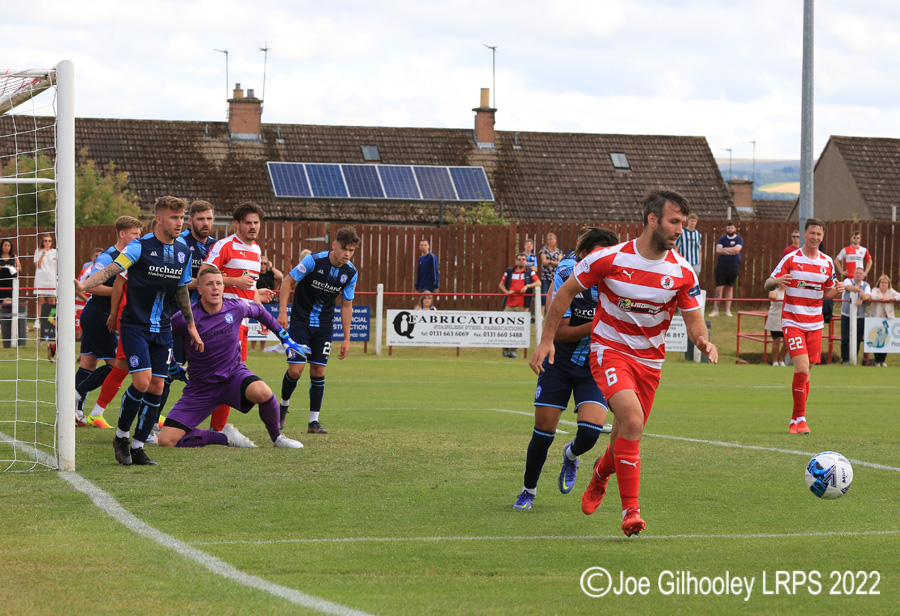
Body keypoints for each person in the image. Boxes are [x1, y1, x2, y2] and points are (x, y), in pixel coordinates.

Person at [530, 189, 717, 537]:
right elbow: (565, 293)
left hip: (650, 361)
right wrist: (545, 340)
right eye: (674, 222)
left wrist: (702, 339)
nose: (680, 230)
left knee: (626, 435)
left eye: (683, 223)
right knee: (631, 421)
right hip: (609, 351)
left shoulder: (683, 272)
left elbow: (693, 318)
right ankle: (631, 512)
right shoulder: (611, 258)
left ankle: (600, 474)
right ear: (652, 220)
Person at [78, 196, 203, 466]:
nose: (179, 223)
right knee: (142, 382)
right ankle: (121, 437)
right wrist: (85, 284)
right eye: (174, 217)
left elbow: (182, 289)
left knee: (158, 386)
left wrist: (191, 326)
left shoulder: (184, 250)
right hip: (135, 326)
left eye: (182, 217)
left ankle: (137, 446)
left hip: (164, 329)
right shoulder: (139, 246)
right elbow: (113, 269)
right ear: (159, 219)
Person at [514, 227, 618, 511]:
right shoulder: (567, 272)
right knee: (543, 433)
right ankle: (528, 491)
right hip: (557, 362)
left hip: (594, 366)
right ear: (583, 256)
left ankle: (570, 456)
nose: (602, 262)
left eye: (606, 256)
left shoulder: (618, 279)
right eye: (596, 255)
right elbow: (560, 333)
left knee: (589, 432)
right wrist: (599, 322)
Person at [158, 266, 309, 449]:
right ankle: (224, 438)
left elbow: (260, 312)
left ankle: (277, 438)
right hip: (200, 388)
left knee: (264, 393)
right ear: (199, 289)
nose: (215, 288)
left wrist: (285, 338)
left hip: (234, 377)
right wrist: (171, 363)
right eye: (210, 284)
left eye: (219, 284)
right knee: (166, 441)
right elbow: (162, 337)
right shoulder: (185, 318)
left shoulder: (236, 307)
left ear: (223, 287)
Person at [277, 227, 360, 434]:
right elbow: (288, 281)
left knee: (319, 370)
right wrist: (282, 312)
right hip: (300, 322)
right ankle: (283, 407)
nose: (347, 254)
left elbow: (347, 305)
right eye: (344, 249)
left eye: (351, 250)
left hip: (324, 326)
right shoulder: (313, 261)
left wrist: (347, 338)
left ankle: (314, 422)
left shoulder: (350, 272)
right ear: (334, 245)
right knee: (295, 370)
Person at [765, 218, 843, 435]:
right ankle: (800, 419)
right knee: (800, 368)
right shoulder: (790, 258)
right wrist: (777, 282)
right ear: (805, 234)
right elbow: (767, 283)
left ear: (822, 236)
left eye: (819, 234)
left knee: (807, 372)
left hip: (815, 323)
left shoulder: (827, 262)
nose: (815, 237)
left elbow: (828, 293)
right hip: (793, 321)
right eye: (812, 233)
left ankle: (795, 418)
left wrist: (838, 290)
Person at [203, 202, 275, 438]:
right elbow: (204, 275)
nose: (253, 226)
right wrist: (235, 282)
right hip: (222, 320)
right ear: (237, 223)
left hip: (242, 321)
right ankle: (211, 427)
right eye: (248, 222)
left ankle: (218, 429)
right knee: (225, 374)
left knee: (231, 374)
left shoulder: (256, 250)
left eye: (256, 222)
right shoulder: (224, 245)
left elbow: (251, 288)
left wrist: (261, 313)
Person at [74, 217, 143, 428]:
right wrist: (119, 290)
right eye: (134, 234)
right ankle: (75, 395)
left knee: (88, 365)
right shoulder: (108, 257)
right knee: (116, 365)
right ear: (122, 234)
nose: (138, 238)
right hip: (99, 316)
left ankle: (76, 411)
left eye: (140, 234)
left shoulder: (132, 256)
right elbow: (90, 287)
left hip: (97, 315)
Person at [498, 252, 540, 359]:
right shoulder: (509, 271)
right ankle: (505, 350)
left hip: (522, 305)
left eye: (523, 259)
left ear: (526, 262)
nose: (521, 261)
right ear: (516, 261)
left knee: (518, 329)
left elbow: (538, 283)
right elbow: (501, 285)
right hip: (509, 304)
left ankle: (513, 351)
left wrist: (528, 286)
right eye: (519, 259)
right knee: (506, 328)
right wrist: (507, 292)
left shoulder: (529, 272)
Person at [250, 255, 283, 352]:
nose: (263, 265)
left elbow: (280, 276)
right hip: (257, 299)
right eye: (261, 263)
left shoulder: (270, 274)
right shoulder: (256, 274)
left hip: (269, 301)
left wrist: (271, 267)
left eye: (265, 263)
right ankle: (252, 348)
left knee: (265, 321)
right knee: (254, 322)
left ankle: (262, 348)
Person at [710, 221, 742, 317]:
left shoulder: (739, 239)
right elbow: (718, 250)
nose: (730, 229)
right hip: (721, 266)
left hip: (733, 266)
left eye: (731, 228)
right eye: (728, 228)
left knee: (729, 288)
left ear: (735, 229)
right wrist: (730, 251)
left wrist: (725, 250)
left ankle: (727, 310)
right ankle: (716, 309)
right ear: (726, 229)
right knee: (719, 288)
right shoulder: (722, 239)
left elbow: (737, 250)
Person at [840, 267, 871, 364]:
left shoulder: (866, 285)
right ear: (853, 274)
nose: (858, 274)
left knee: (857, 339)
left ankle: (854, 359)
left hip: (860, 316)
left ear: (863, 275)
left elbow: (868, 295)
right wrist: (860, 291)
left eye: (860, 273)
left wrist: (862, 298)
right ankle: (845, 359)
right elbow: (848, 288)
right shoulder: (847, 281)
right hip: (846, 315)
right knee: (845, 339)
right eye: (856, 273)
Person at [868, 274, 900, 367]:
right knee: (876, 339)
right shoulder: (875, 290)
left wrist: (891, 298)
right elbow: (872, 296)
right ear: (879, 283)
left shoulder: (891, 291)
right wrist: (882, 298)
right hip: (876, 318)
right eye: (882, 282)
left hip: (887, 318)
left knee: (886, 339)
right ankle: (878, 361)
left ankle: (883, 361)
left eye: (886, 283)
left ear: (888, 284)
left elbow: (899, 295)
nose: (884, 284)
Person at [33, 234, 57, 332]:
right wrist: (43, 253)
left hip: (51, 278)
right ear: (42, 242)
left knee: (52, 300)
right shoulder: (37, 251)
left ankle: (51, 320)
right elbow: (37, 265)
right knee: (40, 299)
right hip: (41, 277)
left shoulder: (55, 252)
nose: (47, 243)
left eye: (49, 241)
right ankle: (37, 321)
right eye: (45, 241)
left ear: (52, 242)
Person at [538, 233, 564, 314]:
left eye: (552, 239)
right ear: (547, 241)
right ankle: (542, 314)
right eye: (549, 239)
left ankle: (553, 312)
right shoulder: (543, 250)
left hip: (555, 276)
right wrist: (554, 262)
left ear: (555, 240)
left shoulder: (559, 251)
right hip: (545, 276)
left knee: (555, 294)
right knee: (544, 294)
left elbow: (560, 263)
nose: (551, 241)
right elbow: (544, 262)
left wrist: (549, 261)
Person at [765, 285, 787, 367]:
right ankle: (775, 361)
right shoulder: (774, 289)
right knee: (776, 341)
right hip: (775, 319)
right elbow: (772, 296)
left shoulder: (789, 290)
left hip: (786, 320)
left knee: (786, 342)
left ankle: (781, 360)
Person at [0, 239, 22, 305]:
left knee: (12, 301)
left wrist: (13, 268)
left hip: (11, 281)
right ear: (1, 246)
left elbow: (20, 268)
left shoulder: (14, 256)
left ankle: (11, 314)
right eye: (5, 245)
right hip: (1, 281)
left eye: (8, 246)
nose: (7, 247)